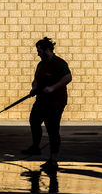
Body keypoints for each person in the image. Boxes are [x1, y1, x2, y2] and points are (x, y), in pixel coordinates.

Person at [22, 37, 72, 172]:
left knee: (52, 129)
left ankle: (53, 160)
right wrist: (34, 87)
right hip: (41, 99)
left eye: (39, 51)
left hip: (56, 102)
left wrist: (53, 88)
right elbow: (36, 79)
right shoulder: (41, 64)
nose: (37, 53)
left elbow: (68, 77)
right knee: (34, 120)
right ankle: (35, 147)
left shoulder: (59, 63)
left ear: (47, 50)